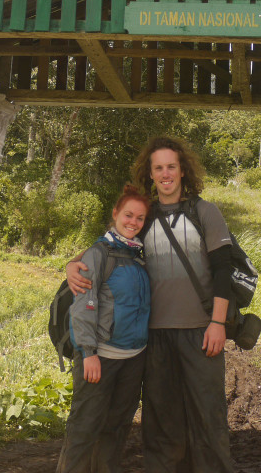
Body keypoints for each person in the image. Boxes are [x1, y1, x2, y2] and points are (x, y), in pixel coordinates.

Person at [67, 136, 235, 473]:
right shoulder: (143, 218)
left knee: (209, 416)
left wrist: (218, 323)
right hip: (154, 339)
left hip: (201, 332)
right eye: (158, 168)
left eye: (171, 166)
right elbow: (107, 248)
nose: (165, 173)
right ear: (151, 174)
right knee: (160, 421)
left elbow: (223, 271)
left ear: (183, 170)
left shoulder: (205, 212)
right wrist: (73, 263)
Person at [58, 184, 152, 473]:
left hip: (133, 359)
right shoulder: (98, 254)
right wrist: (88, 352)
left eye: (139, 218)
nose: (133, 222)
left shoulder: (139, 256)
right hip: (99, 358)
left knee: (116, 429)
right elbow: (83, 306)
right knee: (84, 428)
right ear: (115, 213)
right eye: (128, 215)